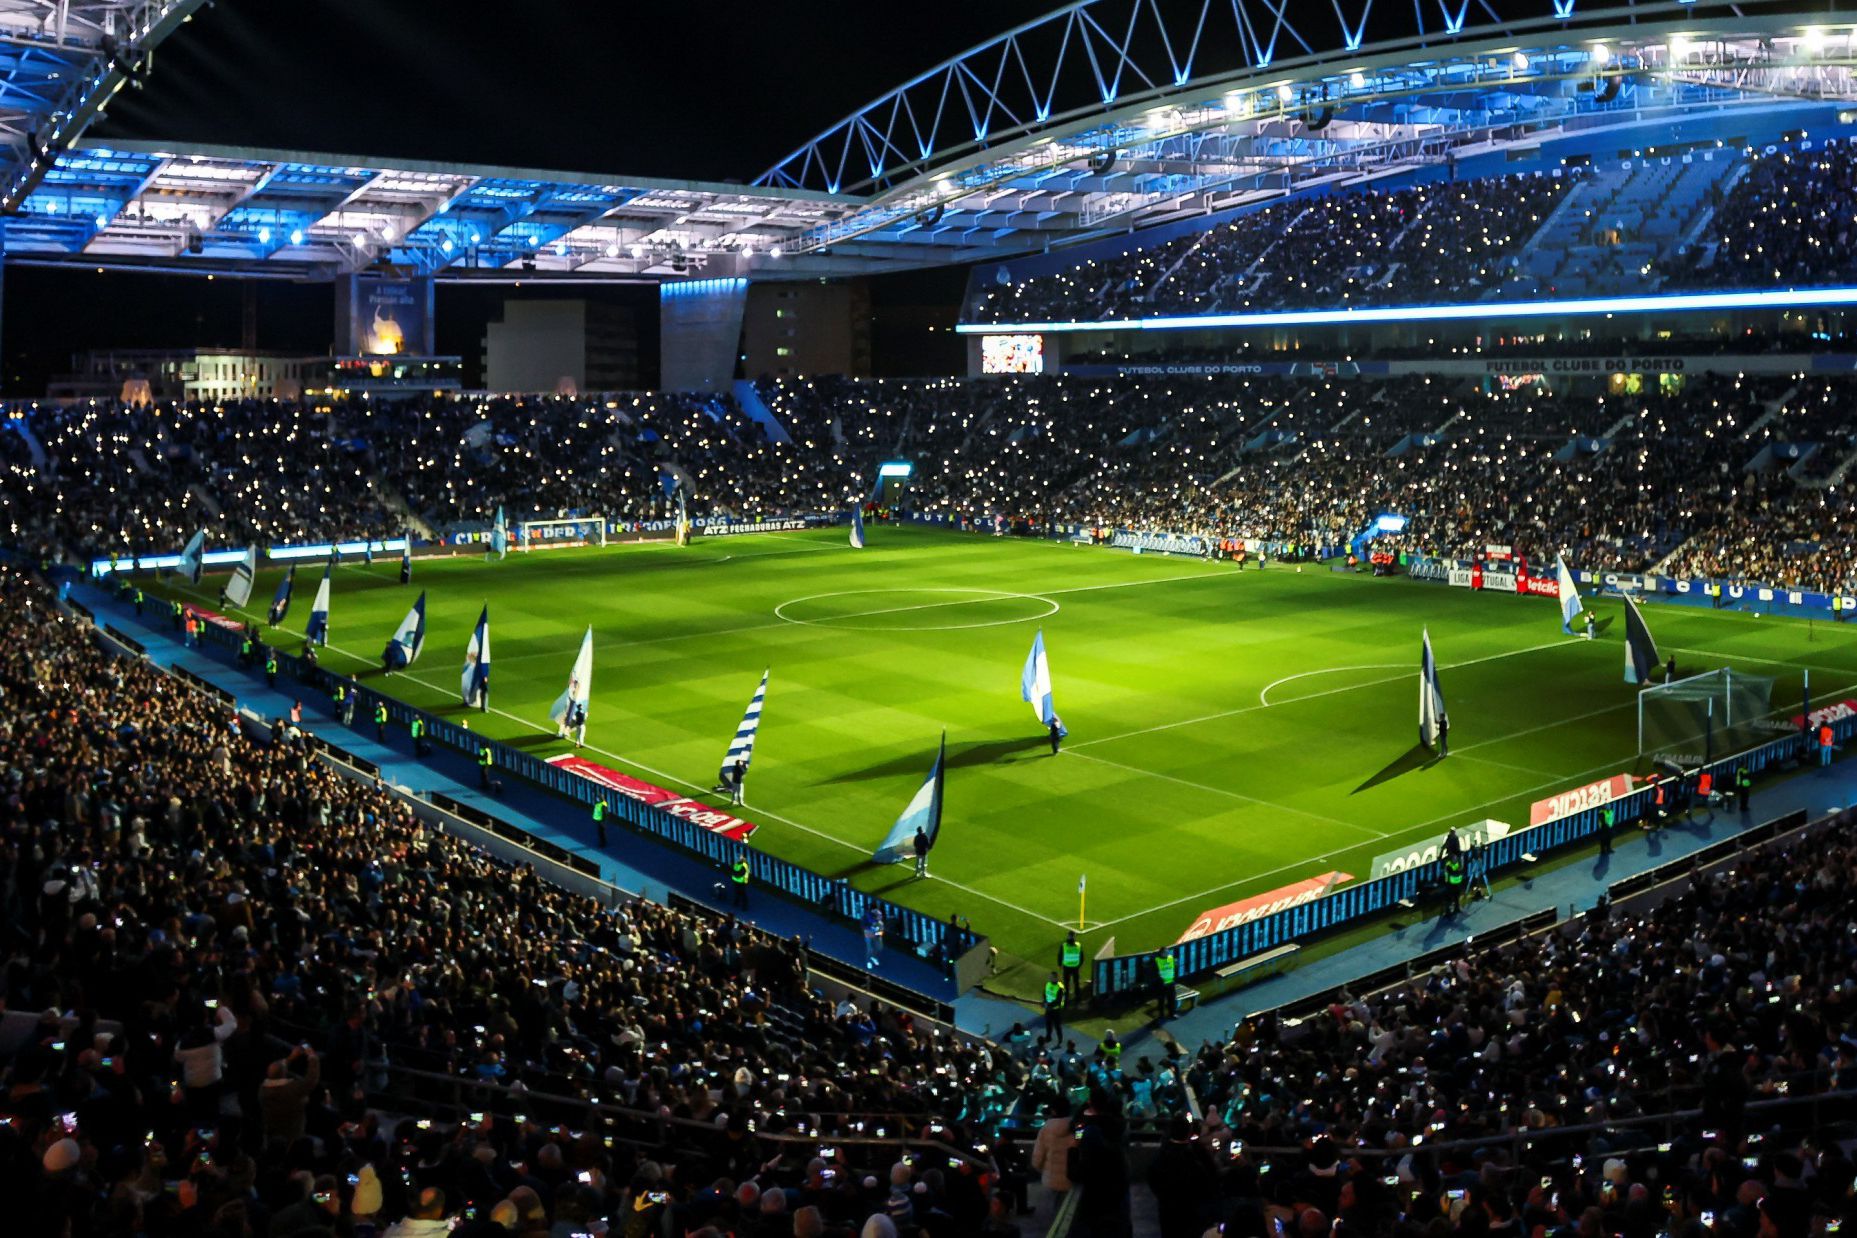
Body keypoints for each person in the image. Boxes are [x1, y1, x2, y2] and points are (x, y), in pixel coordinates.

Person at [1442, 844, 1466, 914]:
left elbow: (1460, 868)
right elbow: (1449, 872)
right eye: (1454, 858)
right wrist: (1446, 881)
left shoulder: (1457, 863)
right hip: (1451, 883)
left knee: (1456, 896)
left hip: (1457, 883)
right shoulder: (1449, 864)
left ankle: (1457, 908)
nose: (1455, 859)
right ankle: (1448, 911)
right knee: (1450, 897)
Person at [1059, 931, 1083, 1000]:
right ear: (1074, 937)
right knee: (1076, 982)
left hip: (1066, 967)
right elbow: (1082, 956)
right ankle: (1078, 996)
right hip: (1075, 967)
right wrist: (1079, 964)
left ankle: (1066, 996)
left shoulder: (1064, 945)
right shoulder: (1078, 945)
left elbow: (1060, 955)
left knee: (1066, 982)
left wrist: (1060, 964)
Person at [1042, 972, 1065, 1041]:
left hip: (1056, 1010)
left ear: (1056, 978)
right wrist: (1044, 1001)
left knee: (1057, 1026)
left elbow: (1059, 1000)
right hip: (1048, 1009)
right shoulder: (1048, 984)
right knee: (1048, 1024)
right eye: (1050, 977)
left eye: (1052, 977)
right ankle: (1048, 1036)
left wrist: (1049, 1005)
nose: (1050, 978)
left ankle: (1060, 1039)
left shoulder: (1060, 987)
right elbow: (1044, 994)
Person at [1155, 951, 1177, 1019]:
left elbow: (1174, 967)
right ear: (1161, 953)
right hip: (1162, 984)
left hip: (1171, 983)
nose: (1167, 953)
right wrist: (1160, 980)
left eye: (1167, 952)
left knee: (1172, 999)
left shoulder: (1170, 958)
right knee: (1161, 1000)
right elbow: (1154, 972)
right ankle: (1161, 1015)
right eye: (1165, 952)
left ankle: (1172, 1014)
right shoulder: (1157, 960)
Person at [863, 903, 884, 968]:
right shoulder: (869, 919)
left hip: (876, 936)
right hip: (869, 934)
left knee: (879, 948)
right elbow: (865, 927)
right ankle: (868, 962)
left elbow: (881, 933)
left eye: (881, 916)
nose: (881, 917)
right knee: (869, 949)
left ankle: (873, 957)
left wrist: (876, 934)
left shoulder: (880, 923)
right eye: (879, 916)